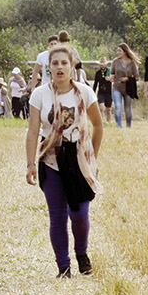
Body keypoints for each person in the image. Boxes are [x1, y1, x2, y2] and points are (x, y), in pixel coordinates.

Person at [25, 33, 104, 278]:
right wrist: (30, 164)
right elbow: (33, 131)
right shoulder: (39, 95)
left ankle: (81, 252)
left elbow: (98, 126)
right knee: (57, 215)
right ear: (48, 67)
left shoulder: (85, 92)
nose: (59, 67)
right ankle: (63, 266)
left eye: (64, 63)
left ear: (72, 66)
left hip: (78, 159)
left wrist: (91, 157)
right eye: (55, 63)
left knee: (79, 213)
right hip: (51, 159)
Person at [109, 42, 140, 129]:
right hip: (117, 87)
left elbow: (137, 77)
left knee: (127, 108)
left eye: (120, 51)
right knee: (118, 106)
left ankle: (128, 126)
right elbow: (112, 73)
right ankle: (119, 126)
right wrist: (111, 78)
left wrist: (128, 79)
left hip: (128, 88)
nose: (118, 52)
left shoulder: (132, 63)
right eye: (118, 51)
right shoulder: (115, 61)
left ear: (125, 52)